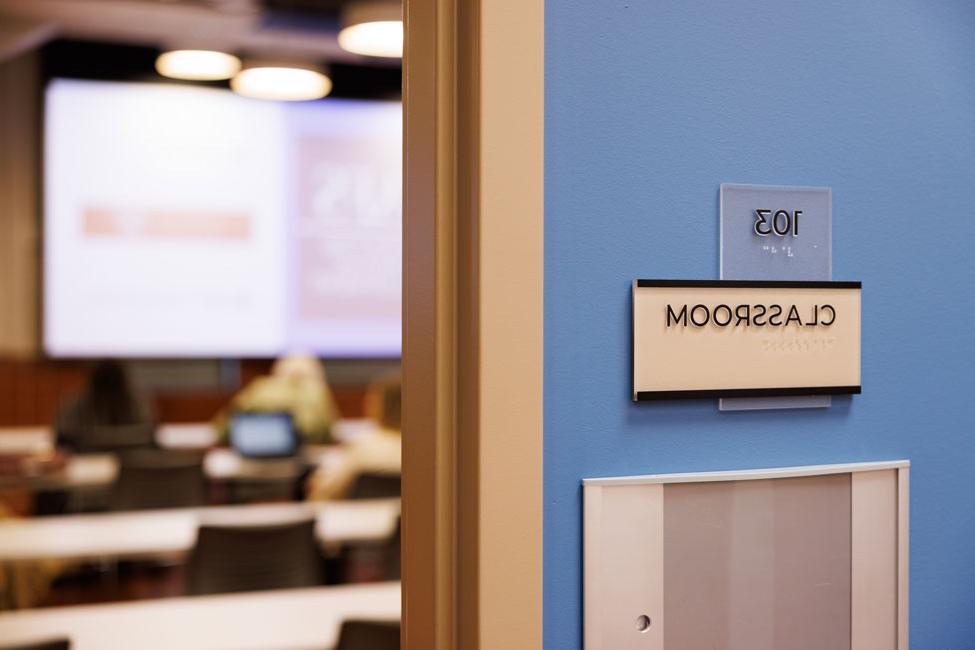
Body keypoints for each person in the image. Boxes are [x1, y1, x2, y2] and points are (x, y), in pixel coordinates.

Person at [306, 372, 401, 500]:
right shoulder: (428, 450)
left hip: (361, 517)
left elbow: (326, 492)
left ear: (379, 405)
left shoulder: (363, 448)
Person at [213, 354, 340, 445]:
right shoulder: (317, 393)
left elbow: (222, 429)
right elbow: (327, 434)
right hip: (297, 470)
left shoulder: (259, 389)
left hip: (248, 467)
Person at [55, 359, 155, 452]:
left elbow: (64, 440)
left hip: (91, 462)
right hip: (90, 463)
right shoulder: (137, 404)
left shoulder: (135, 403)